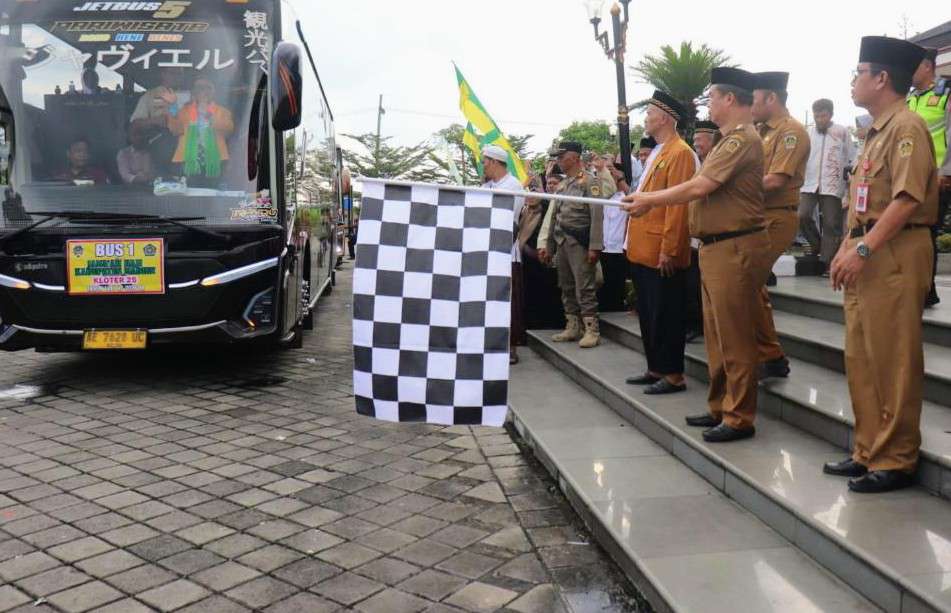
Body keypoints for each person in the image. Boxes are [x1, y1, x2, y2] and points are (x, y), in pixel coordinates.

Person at [623, 67, 770, 443]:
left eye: (712, 97)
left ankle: (739, 416)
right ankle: (720, 406)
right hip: (717, 246)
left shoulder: (740, 140)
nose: (709, 104)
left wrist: (647, 199)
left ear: (729, 100)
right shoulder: (726, 140)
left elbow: (701, 185)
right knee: (718, 336)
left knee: (734, 336)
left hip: (734, 245)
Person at [825, 36, 938, 493]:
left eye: (858, 73)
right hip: (867, 249)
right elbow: (862, 200)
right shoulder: (874, 131)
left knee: (893, 357)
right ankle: (868, 449)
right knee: (862, 356)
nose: (853, 82)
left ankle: (895, 457)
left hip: (894, 251)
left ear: (882, 78)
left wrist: (865, 248)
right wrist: (844, 247)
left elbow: (908, 199)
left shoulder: (906, 127)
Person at [623, 90, 699, 395]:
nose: (646, 118)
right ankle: (656, 367)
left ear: (664, 117)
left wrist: (670, 247)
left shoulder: (680, 152)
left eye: (650, 112)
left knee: (666, 313)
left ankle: (672, 374)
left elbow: (678, 206)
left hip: (661, 250)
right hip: (643, 247)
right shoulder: (658, 151)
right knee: (650, 311)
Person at [750, 71, 810, 379]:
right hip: (757, 215)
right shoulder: (758, 132)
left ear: (771, 98)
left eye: (755, 99)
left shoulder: (791, 132)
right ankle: (771, 354)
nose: (751, 105)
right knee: (751, 286)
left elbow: (775, 180)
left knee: (746, 283)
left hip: (777, 216)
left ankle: (769, 354)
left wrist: (731, 189)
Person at [537, 141, 614, 348]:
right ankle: (573, 326)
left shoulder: (591, 182)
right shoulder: (562, 185)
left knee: (585, 287)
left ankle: (591, 329)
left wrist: (595, 246)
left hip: (580, 242)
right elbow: (555, 216)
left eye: (562, 157)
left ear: (575, 157)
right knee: (566, 286)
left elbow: (597, 215)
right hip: (562, 241)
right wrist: (550, 246)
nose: (559, 161)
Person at [908, 48, 950, 307]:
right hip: (913, 175)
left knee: (928, 233)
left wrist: (946, 172)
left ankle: (927, 289)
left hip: (937, 178)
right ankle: (923, 287)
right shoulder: (910, 99)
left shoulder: (945, 95)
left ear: (927, 67)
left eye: (914, 67)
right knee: (918, 234)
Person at [480, 144, 525, 365]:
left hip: (507, 254)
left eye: (485, 162)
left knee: (508, 302)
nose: (483, 166)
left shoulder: (513, 185)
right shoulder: (487, 185)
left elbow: (510, 222)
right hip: (486, 252)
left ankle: (511, 346)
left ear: (495, 162)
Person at [800, 98, 855, 269]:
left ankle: (827, 260)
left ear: (830, 115)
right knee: (802, 215)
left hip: (832, 184)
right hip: (809, 183)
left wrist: (848, 187)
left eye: (823, 116)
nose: (819, 120)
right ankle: (816, 244)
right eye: (817, 116)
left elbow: (850, 158)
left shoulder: (842, 132)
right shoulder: (808, 132)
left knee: (832, 224)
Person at [686, 120, 721, 342]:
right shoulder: (701, 162)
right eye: (695, 139)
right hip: (696, 236)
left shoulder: (716, 163)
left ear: (712, 139)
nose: (696, 143)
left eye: (700, 139)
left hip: (713, 237)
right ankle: (697, 324)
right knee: (693, 284)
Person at [521, 170, 567, 331]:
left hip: (544, 261)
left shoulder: (547, 208)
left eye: (535, 192)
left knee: (547, 296)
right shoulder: (525, 212)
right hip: (527, 264)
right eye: (529, 192)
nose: (531, 196)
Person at [168, 78, 235, 186]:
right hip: (189, 159)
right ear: (194, 92)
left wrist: (208, 115)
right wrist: (172, 106)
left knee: (212, 191)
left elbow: (228, 129)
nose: (203, 91)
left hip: (215, 160)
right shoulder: (185, 110)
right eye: (199, 88)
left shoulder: (222, 111)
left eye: (207, 88)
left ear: (213, 92)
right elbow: (175, 129)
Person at [598, 163, 630, 312]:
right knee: (603, 284)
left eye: (612, 173)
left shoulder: (625, 196)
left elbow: (633, 198)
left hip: (619, 248)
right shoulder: (603, 196)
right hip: (603, 247)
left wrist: (621, 179)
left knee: (617, 283)